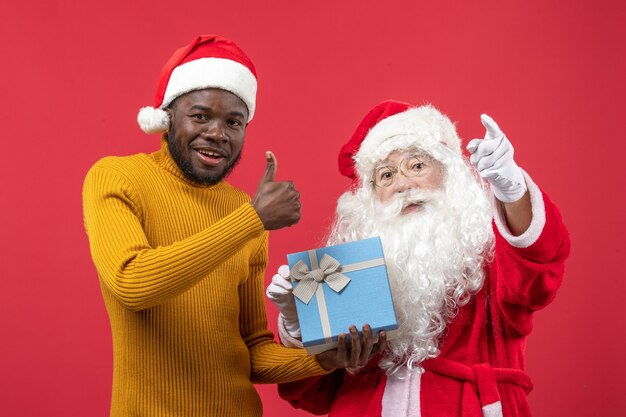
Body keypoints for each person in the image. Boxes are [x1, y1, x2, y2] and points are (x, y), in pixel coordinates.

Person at [82, 35, 385, 417]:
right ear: (167, 117)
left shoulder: (241, 208)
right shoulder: (115, 177)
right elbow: (134, 283)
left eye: (234, 121)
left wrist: (325, 359)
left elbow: (251, 350)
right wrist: (252, 220)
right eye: (200, 115)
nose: (217, 133)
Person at [266, 100, 570, 417]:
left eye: (417, 166)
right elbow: (311, 395)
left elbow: (539, 273)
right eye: (386, 175)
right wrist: (299, 324)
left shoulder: (491, 249)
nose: (403, 184)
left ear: (449, 173)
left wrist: (513, 190)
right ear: (370, 197)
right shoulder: (351, 274)